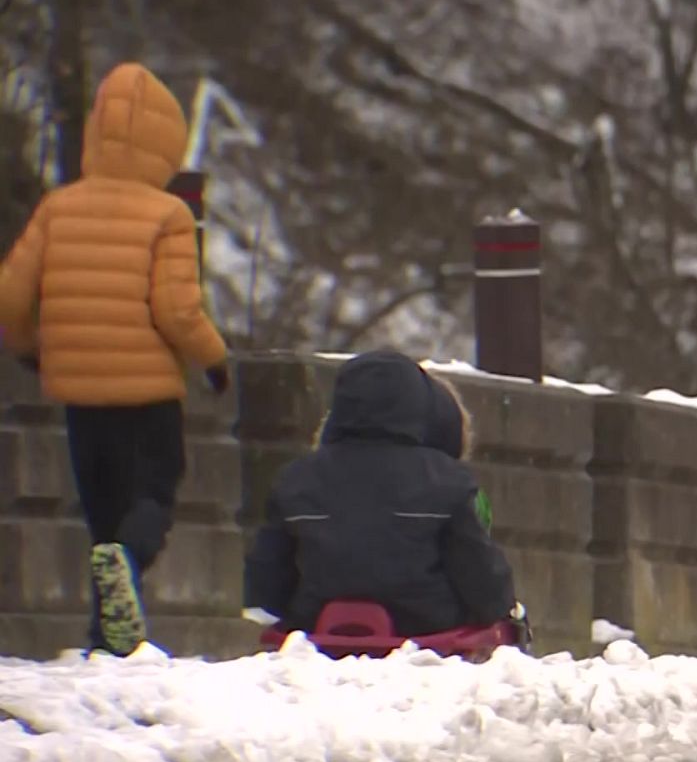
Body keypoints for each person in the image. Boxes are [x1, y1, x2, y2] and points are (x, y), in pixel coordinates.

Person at [0, 62, 230, 657]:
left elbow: (11, 296)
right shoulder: (167, 215)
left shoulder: (58, 207)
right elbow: (177, 311)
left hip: (79, 390)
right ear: (165, 143)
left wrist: (30, 348)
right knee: (154, 491)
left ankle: (106, 634)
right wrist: (215, 360)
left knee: (102, 512)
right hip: (148, 391)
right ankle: (125, 571)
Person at [242, 351, 520, 642]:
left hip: (317, 627)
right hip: (425, 630)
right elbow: (481, 577)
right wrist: (501, 607)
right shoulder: (448, 480)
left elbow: (266, 582)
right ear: (418, 405)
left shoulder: (295, 479)